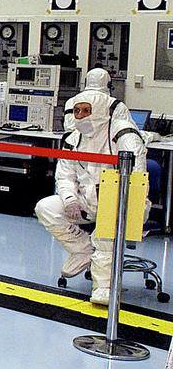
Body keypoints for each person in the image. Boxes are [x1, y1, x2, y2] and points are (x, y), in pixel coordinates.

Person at [35, 84, 146, 305]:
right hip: (86, 202)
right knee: (45, 207)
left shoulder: (122, 133)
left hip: (122, 202)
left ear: (101, 109)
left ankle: (104, 286)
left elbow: (136, 177)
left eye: (86, 110)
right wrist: (69, 199)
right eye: (77, 111)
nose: (81, 116)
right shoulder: (74, 139)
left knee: (105, 233)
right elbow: (64, 175)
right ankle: (83, 250)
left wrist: (111, 204)